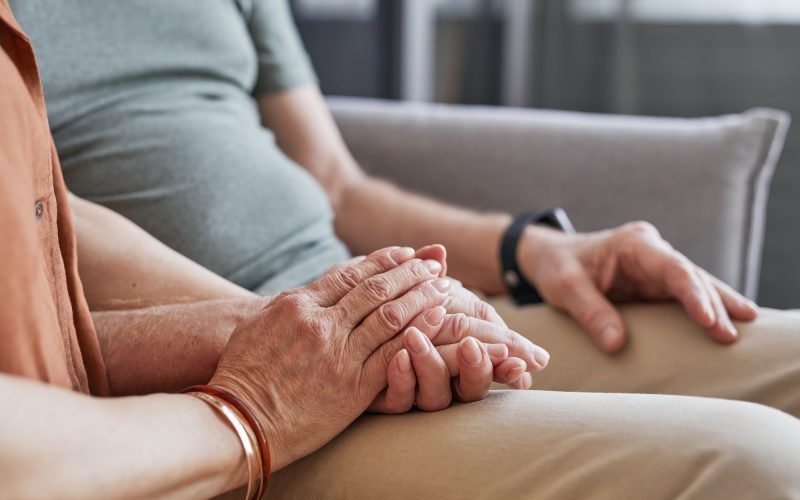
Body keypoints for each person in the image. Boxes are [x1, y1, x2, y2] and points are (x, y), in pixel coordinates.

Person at [3, 2, 800, 499]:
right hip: (223, 371)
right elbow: (43, 261)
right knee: (760, 464)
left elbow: (337, 185)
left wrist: (532, 249)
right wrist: (297, 333)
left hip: (349, 314)